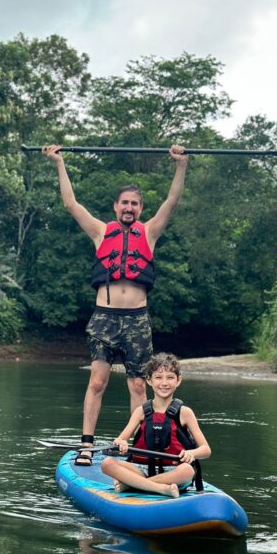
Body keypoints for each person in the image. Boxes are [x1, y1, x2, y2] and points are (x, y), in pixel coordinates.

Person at [42, 143, 189, 464]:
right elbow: (70, 203)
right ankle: (85, 445)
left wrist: (180, 165)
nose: (129, 207)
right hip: (104, 318)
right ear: (115, 206)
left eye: (135, 204)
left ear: (140, 208)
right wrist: (59, 163)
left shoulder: (149, 232)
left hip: (137, 320)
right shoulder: (100, 231)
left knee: (138, 384)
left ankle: (136, 447)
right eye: (125, 202)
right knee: (97, 382)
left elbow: (173, 201)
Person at [101, 352, 211, 498]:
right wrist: (121, 443)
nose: (164, 383)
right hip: (141, 469)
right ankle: (159, 488)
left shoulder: (185, 413)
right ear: (149, 381)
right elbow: (121, 440)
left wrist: (192, 453)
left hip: (174, 471)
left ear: (178, 381)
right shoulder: (141, 411)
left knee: (188, 470)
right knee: (107, 464)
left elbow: (206, 449)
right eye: (158, 377)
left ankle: (133, 485)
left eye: (170, 378)